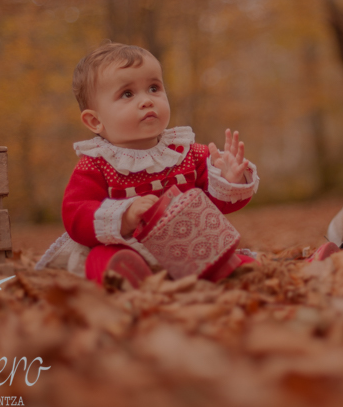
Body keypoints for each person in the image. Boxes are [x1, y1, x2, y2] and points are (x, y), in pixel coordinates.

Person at [37, 42, 258, 287]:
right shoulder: (96, 165)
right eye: (127, 94)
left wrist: (229, 179)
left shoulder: (187, 152)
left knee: (233, 260)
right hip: (129, 248)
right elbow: (75, 217)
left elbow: (217, 208)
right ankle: (132, 280)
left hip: (189, 250)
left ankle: (227, 272)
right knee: (101, 258)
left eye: (154, 88)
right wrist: (125, 216)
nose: (146, 101)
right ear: (95, 120)